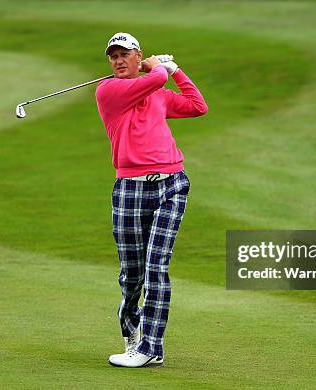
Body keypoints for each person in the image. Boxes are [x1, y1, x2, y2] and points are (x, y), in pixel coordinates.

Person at [95, 32, 208, 368]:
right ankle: (132, 331)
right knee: (132, 274)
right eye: (112, 56)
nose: (117, 61)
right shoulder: (108, 91)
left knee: (157, 267)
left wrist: (177, 72)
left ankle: (151, 348)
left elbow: (197, 106)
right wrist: (160, 67)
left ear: (136, 55)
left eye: (124, 55)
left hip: (171, 185)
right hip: (130, 188)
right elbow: (154, 77)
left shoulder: (157, 93)